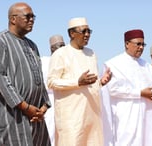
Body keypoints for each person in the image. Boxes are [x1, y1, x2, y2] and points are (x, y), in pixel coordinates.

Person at [0, 2, 51, 146]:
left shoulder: (32, 45)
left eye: (33, 16)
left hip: (35, 119)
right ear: (13, 19)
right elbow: (0, 78)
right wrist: (25, 107)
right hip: (12, 119)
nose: (32, 20)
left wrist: (43, 107)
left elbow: (38, 77)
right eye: (27, 16)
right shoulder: (0, 40)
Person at [47, 17, 112, 146]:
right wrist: (76, 82)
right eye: (84, 31)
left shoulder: (91, 53)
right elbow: (51, 82)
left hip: (92, 115)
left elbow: (90, 83)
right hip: (71, 117)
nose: (87, 35)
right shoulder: (60, 54)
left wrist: (101, 82)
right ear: (72, 33)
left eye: (89, 31)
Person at [101, 29, 152, 146]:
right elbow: (112, 89)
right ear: (127, 44)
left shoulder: (146, 65)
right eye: (138, 44)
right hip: (126, 115)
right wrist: (139, 93)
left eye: (143, 44)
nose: (141, 47)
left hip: (147, 113)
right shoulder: (113, 64)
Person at [41, 35, 65, 146]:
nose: (63, 49)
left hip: (64, 101)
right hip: (48, 102)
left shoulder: (66, 63)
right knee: (50, 132)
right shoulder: (43, 61)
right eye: (60, 46)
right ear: (52, 49)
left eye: (64, 46)